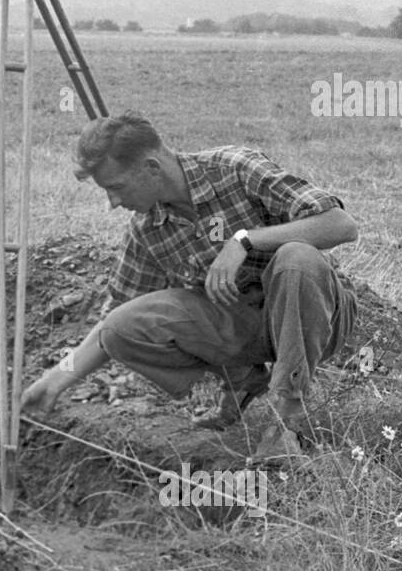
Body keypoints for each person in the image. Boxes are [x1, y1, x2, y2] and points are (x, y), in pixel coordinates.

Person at [22, 113, 358, 460]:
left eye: (116, 187)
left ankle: (287, 419)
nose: (113, 203)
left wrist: (243, 241)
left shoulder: (235, 168)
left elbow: (340, 224)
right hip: (244, 330)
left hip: (318, 316)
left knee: (296, 258)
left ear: (151, 167)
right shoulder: (147, 229)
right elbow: (111, 326)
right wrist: (53, 382)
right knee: (122, 327)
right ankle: (240, 379)